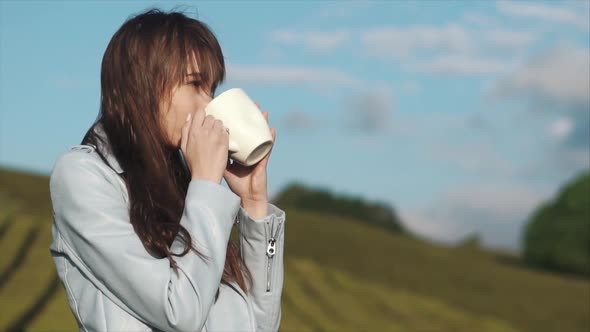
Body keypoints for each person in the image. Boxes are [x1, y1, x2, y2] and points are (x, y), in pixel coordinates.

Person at [48, 9, 285, 332]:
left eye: (211, 89)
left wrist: (254, 203)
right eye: (194, 84)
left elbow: (258, 325)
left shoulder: (189, 192)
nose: (208, 105)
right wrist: (205, 184)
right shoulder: (84, 176)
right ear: (142, 84)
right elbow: (179, 312)